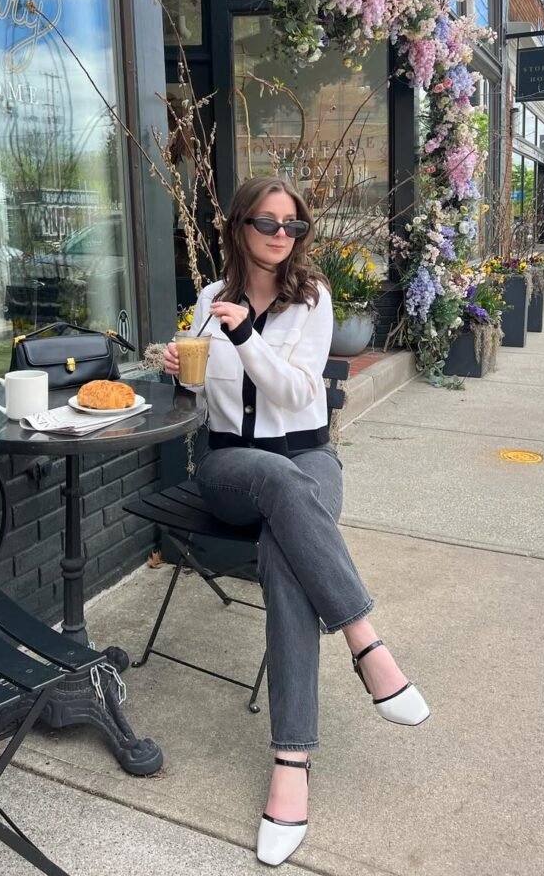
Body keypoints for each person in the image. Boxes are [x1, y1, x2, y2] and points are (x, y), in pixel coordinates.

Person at [163, 176, 429, 867]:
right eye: (268, 223)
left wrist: (248, 336)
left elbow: (300, 392)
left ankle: (290, 764)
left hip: (308, 459)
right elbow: (196, 396)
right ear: (239, 228)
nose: (282, 236)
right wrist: (176, 367)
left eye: (294, 226)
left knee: (288, 555)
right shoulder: (204, 301)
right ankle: (366, 643)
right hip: (229, 469)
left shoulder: (312, 301)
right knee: (279, 489)